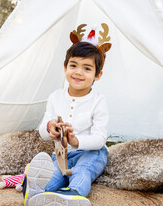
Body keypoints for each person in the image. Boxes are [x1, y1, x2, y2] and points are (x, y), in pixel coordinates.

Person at [23, 24, 112, 206]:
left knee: (82, 171)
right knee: (53, 176)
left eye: (87, 68)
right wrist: (51, 128)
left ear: (98, 75)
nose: (78, 72)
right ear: (65, 68)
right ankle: (34, 190)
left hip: (91, 153)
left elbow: (100, 138)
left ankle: (73, 195)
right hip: (61, 155)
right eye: (73, 65)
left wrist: (76, 141)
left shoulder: (98, 101)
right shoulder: (55, 97)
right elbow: (42, 132)